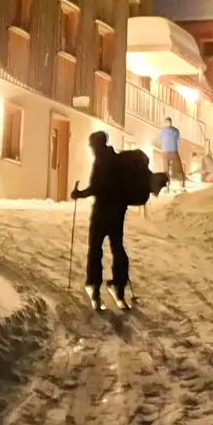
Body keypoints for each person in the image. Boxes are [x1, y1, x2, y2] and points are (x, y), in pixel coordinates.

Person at [73, 131, 132, 310]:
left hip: (102, 212)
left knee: (95, 248)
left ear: (97, 145)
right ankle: (119, 286)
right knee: (117, 247)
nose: (91, 149)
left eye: (92, 146)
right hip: (118, 212)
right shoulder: (117, 160)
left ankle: (94, 285)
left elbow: (96, 187)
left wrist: (79, 194)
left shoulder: (101, 161)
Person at [155, 118, 185, 192]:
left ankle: (166, 186)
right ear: (171, 123)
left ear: (166, 123)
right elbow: (178, 140)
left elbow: (158, 138)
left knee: (165, 170)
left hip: (165, 153)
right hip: (174, 152)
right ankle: (182, 184)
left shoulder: (163, 131)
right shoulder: (176, 131)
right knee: (179, 168)